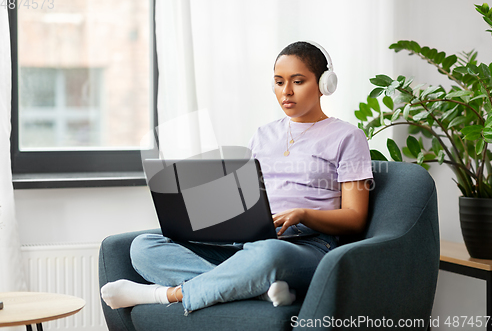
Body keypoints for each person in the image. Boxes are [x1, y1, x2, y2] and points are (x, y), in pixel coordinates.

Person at [101, 41, 373, 316]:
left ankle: (164, 295)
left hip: (306, 245)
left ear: (324, 84)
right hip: (246, 245)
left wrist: (303, 214)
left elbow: (355, 217)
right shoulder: (262, 134)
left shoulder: (348, 137)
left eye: (298, 81)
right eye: (279, 82)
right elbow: (246, 198)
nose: (286, 91)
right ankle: (257, 288)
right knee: (144, 246)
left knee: (268, 256)